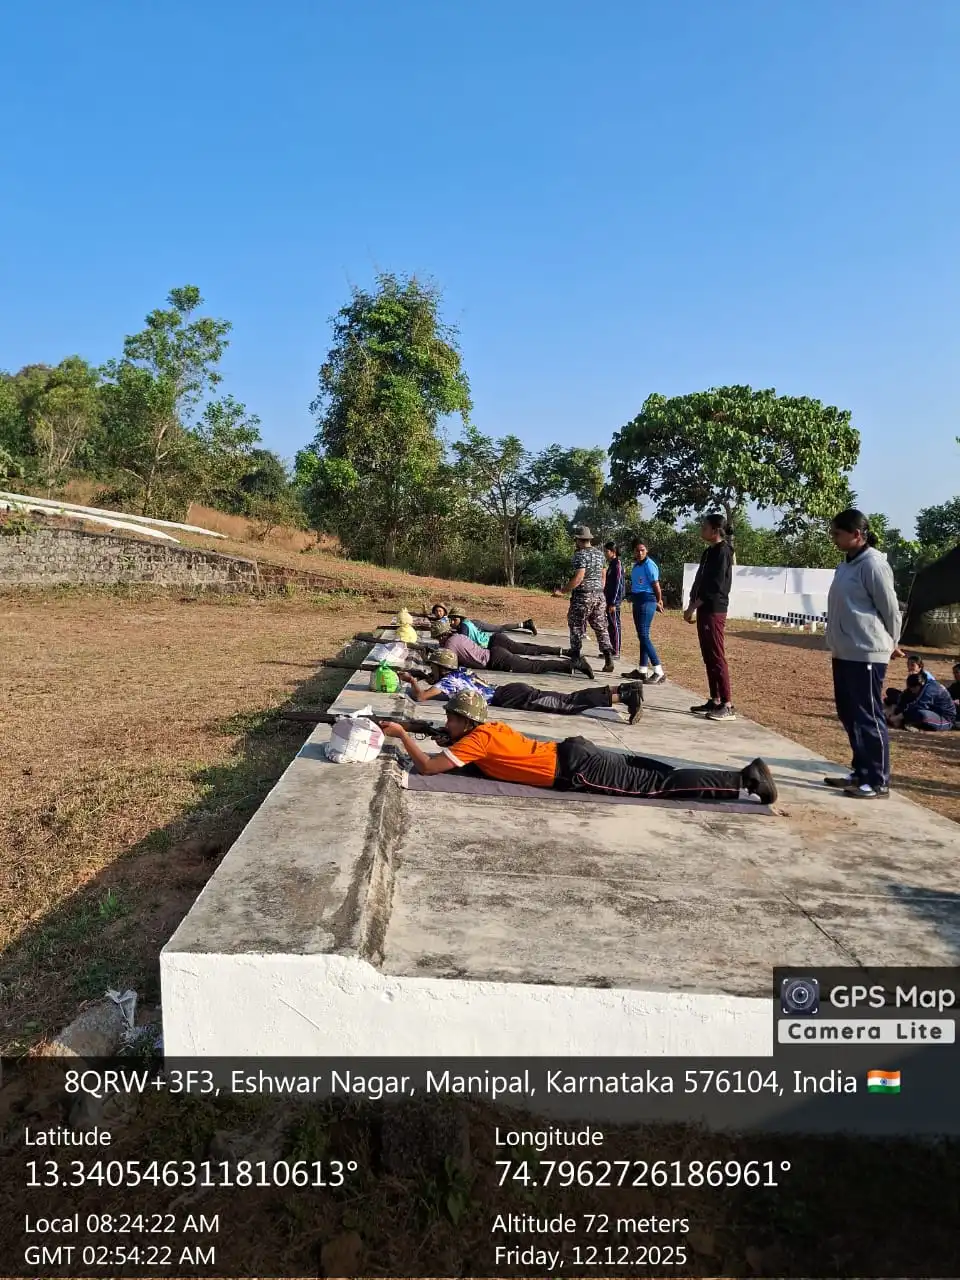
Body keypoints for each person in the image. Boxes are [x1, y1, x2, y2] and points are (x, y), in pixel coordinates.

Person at [380, 689, 778, 804]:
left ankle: (744, 780)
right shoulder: (489, 729)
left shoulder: (478, 740)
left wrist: (401, 736)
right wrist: (447, 737)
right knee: (650, 770)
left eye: (452, 718)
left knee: (656, 787)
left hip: (575, 770)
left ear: (467, 722)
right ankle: (743, 777)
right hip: (574, 751)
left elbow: (430, 769)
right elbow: (476, 754)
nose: (447, 722)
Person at [823, 509, 903, 799]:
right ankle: (860, 772)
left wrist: (893, 641)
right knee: (849, 713)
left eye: (837, 534)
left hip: (867, 652)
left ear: (857, 535)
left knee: (868, 715)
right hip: (844, 651)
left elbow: (890, 609)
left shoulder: (874, 565)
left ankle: (878, 780)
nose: (833, 539)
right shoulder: (846, 565)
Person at [400, 647, 645, 724]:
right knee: (567, 699)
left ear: (440, 668)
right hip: (511, 691)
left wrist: (412, 681)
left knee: (567, 705)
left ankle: (625, 694)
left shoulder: (448, 680)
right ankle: (625, 691)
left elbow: (422, 697)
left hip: (511, 697)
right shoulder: (459, 673)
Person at [684, 514, 735, 721]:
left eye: (704, 527)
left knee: (716, 655)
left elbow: (715, 586)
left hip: (714, 609)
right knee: (708, 656)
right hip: (703, 607)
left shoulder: (723, 552)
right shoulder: (709, 552)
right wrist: (691, 603)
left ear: (715, 530)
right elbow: (701, 581)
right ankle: (714, 699)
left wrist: (694, 606)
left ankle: (727, 703)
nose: (701, 529)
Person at [429, 620, 594, 679]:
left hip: (496, 659)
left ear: (440, 636)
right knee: (531, 657)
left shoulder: (450, 644)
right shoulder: (457, 638)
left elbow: (446, 670)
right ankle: (570, 662)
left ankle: (575, 664)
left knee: (534, 666)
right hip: (495, 653)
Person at [554, 526, 615, 674]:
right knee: (600, 626)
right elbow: (603, 575)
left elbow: (579, 576)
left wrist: (562, 591)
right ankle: (608, 657)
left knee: (575, 624)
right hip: (599, 595)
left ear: (579, 540)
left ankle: (575, 658)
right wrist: (599, 589)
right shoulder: (600, 555)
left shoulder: (580, 555)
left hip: (583, 595)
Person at [627, 540, 666, 683]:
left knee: (644, 635)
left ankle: (658, 671)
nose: (640, 553)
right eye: (637, 550)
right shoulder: (636, 565)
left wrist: (658, 600)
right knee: (641, 635)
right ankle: (642, 670)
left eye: (642, 550)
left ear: (647, 551)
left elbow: (656, 585)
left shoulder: (650, 565)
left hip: (647, 600)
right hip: (638, 600)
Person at [887, 673, 956, 732]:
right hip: (932, 711)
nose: (912, 691)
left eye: (912, 689)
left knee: (920, 714)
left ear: (918, 686)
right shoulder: (923, 685)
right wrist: (896, 710)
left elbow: (918, 706)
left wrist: (896, 717)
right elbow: (904, 697)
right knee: (895, 695)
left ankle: (905, 722)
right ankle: (906, 722)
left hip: (945, 719)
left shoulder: (929, 689)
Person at [446, 606, 539, 644]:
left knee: (499, 628)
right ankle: (525, 624)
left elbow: (462, 641)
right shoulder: (462, 624)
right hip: (475, 624)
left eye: (454, 620)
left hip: (477, 625)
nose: (451, 622)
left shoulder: (464, 627)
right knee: (499, 628)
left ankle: (526, 624)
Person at [603, 543, 625, 657]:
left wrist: (613, 602)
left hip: (613, 601)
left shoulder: (617, 565)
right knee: (609, 625)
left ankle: (616, 651)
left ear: (613, 552)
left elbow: (618, 585)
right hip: (608, 599)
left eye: (607, 551)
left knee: (615, 625)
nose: (605, 554)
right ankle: (610, 649)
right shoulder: (611, 564)